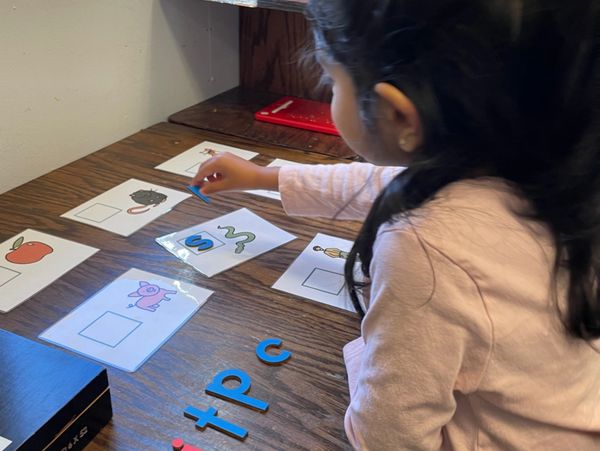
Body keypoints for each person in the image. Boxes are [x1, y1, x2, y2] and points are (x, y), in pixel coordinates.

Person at [192, 0, 600, 449]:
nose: (330, 94)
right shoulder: (550, 164)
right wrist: (266, 177)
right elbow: (392, 182)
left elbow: (387, 436)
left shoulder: (426, 245)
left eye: (332, 81)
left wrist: (364, 356)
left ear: (400, 115)